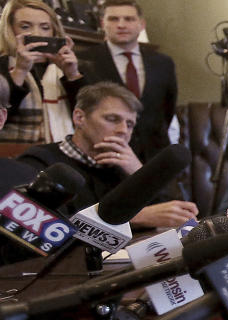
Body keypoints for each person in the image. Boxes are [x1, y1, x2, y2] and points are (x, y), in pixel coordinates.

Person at [18, 82, 198, 228]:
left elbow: (171, 211)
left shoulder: (124, 164)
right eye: (112, 119)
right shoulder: (39, 160)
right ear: (79, 118)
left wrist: (140, 174)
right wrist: (132, 218)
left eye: (129, 124)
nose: (123, 131)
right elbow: (44, 226)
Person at [77, 0, 178, 163]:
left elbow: (168, 109)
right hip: (105, 153)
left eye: (129, 19)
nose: (121, 25)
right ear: (103, 24)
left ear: (141, 24)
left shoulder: (163, 63)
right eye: (114, 19)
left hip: (154, 154)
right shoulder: (85, 61)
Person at [0, 0, 85, 144]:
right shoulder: (3, 64)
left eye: (45, 27)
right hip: (13, 155)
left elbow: (89, 116)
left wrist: (72, 75)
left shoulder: (68, 66)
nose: (37, 33)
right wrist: (20, 70)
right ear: (10, 29)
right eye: (25, 27)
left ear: (54, 31)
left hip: (59, 156)